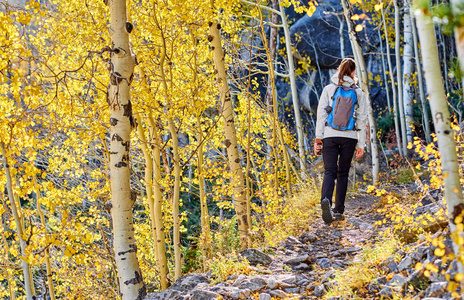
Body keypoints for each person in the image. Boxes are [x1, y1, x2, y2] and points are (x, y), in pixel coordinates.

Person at [314, 58, 367, 224]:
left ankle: (326, 201)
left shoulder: (329, 89)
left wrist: (318, 138)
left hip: (330, 135)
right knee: (343, 173)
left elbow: (321, 115)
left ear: (339, 70)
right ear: (353, 72)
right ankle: (338, 212)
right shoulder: (358, 93)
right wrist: (361, 144)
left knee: (329, 171)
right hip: (349, 137)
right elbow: (362, 120)